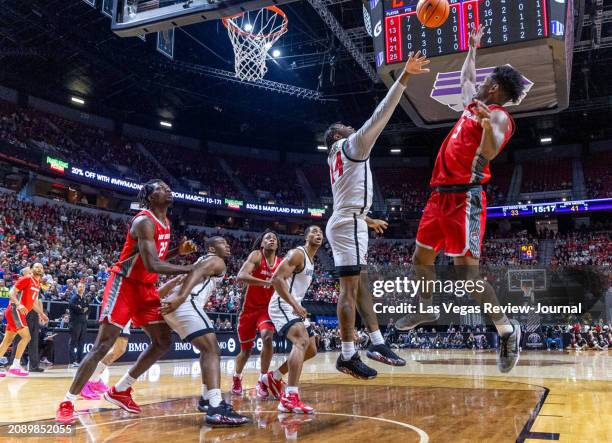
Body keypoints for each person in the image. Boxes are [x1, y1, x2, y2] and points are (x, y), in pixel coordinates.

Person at [394, 25, 525, 373]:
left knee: (468, 275)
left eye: (487, 81)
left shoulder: (498, 116)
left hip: (465, 200)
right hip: (438, 197)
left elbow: (491, 151)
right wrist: (472, 49)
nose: (480, 83)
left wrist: (485, 126)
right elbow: (468, 78)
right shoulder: (473, 104)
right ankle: (426, 308)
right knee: (421, 256)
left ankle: (507, 330)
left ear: (494, 87)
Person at [324, 52, 430, 378]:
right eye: (345, 126)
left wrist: (366, 219)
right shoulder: (351, 146)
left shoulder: (337, 156)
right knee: (349, 290)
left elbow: (345, 196)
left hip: (350, 219)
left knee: (361, 286)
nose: (350, 126)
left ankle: (377, 341)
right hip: (348, 223)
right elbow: (381, 114)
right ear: (338, 136)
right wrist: (405, 76)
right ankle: (347, 353)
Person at [55, 179, 197, 424]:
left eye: (167, 186)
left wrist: (177, 253)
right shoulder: (144, 221)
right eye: (161, 188)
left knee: (163, 341)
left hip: (145, 288)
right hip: (123, 285)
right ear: (150, 197)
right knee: (103, 345)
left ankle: (121, 389)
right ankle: (67, 401)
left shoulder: (165, 222)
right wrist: (190, 269)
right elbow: (153, 263)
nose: (168, 189)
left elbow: (152, 258)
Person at [160, 236, 250, 426]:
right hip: (185, 303)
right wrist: (181, 297)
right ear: (211, 247)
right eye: (222, 243)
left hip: (176, 305)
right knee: (212, 350)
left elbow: (188, 276)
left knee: (209, 350)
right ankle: (216, 407)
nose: (227, 245)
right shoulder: (216, 260)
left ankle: (207, 399)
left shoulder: (201, 260)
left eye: (227, 243)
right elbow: (197, 273)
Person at [266, 225, 323, 413]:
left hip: (294, 305)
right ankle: (290, 397)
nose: (318, 234)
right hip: (282, 304)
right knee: (301, 340)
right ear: (306, 237)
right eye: (314, 232)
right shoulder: (298, 254)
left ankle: (274, 376)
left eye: (320, 233)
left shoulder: (311, 261)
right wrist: (294, 305)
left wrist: (297, 305)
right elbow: (276, 279)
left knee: (312, 349)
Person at [231, 230, 282, 397]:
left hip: (267, 310)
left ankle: (262, 380)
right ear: (262, 243)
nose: (272, 240)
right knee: (245, 352)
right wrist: (266, 282)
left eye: (274, 238)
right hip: (249, 310)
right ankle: (237, 377)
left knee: (267, 336)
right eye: (268, 238)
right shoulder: (256, 255)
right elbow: (241, 276)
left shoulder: (281, 263)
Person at [0, 263, 49, 377]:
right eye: (36, 267)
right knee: (27, 337)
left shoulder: (37, 284)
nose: (39, 269)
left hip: (18, 312)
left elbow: (31, 304)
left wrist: (41, 314)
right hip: (15, 310)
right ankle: (15, 366)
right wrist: (18, 304)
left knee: (7, 341)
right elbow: (11, 292)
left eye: (41, 267)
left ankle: (15, 365)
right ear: (31, 269)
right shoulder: (27, 279)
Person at [79, 321, 132, 400]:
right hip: (118, 313)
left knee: (119, 350)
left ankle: (94, 380)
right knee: (102, 348)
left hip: (127, 315)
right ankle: (85, 383)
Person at [68, 282, 89, 368]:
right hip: (75, 322)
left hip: (83, 323)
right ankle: (72, 361)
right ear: (77, 288)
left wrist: (82, 309)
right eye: (80, 287)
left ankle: (79, 361)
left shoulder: (85, 298)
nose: (81, 288)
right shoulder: (74, 298)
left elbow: (87, 309)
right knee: (73, 342)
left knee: (81, 342)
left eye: (83, 287)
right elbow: (77, 309)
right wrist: (82, 309)